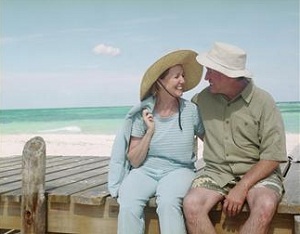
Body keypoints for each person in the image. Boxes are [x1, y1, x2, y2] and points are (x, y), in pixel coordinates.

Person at [183, 42, 287, 234]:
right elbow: (181, 120)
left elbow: (273, 156)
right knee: (191, 204)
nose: (206, 78)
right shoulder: (201, 100)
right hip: (216, 172)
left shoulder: (264, 102)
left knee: (265, 205)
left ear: (229, 75)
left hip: (258, 174)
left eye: (211, 72)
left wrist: (242, 186)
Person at [108, 49, 205, 234]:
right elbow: (135, 160)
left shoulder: (191, 110)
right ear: (160, 82)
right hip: (146, 171)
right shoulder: (143, 112)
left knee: (168, 202)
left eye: (183, 76)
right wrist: (150, 132)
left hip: (179, 170)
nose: (183, 81)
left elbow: (211, 140)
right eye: (177, 76)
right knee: (127, 201)